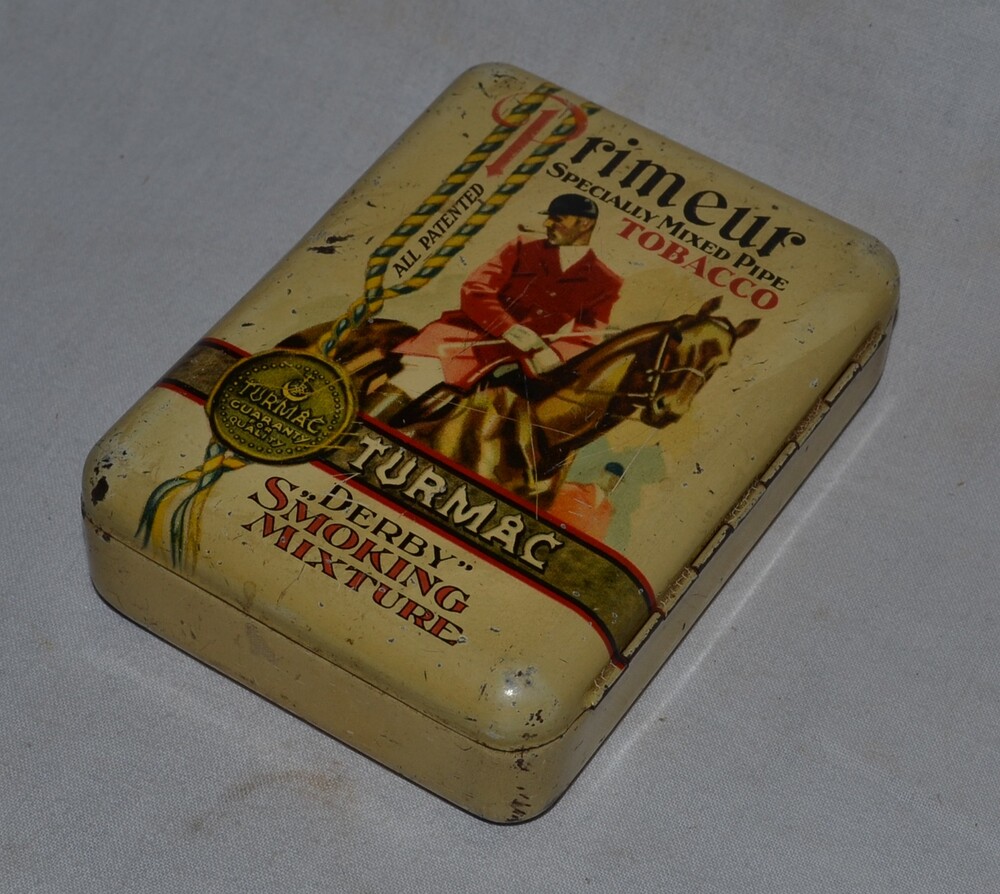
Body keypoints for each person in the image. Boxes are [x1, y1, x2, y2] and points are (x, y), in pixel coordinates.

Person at [388, 193, 624, 399]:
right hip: (465, 341)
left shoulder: (606, 281)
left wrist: (555, 354)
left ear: (584, 223)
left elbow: (588, 333)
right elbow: (476, 289)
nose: (547, 224)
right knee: (417, 381)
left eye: (557, 219)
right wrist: (508, 328)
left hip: (524, 364)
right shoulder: (522, 247)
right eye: (549, 217)